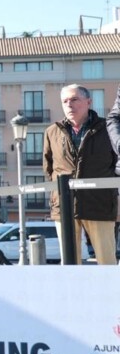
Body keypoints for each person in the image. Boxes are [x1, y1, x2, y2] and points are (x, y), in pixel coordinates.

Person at [46, 84, 117, 265]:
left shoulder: (108, 129)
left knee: (107, 262)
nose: (69, 105)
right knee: (69, 264)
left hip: (99, 204)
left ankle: (111, 294)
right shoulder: (52, 132)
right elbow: (49, 169)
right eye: (65, 101)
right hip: (64, 207)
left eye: (74, 99)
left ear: (89, 102)